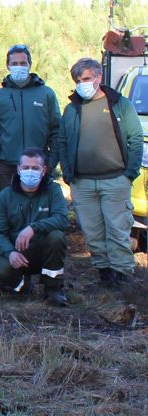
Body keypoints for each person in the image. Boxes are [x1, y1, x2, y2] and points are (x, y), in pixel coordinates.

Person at [56, 58, 143, 288]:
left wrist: (129, 174)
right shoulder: (72, 108)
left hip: (115, 179)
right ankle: (105, 274)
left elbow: (135, 140)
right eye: (78, 80)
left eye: (86, 79)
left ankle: (123, 275)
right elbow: (62, 141)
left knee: (117, 231)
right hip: (83, 183)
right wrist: (68, 175)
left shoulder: (119, 104)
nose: (82, 84)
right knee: (93, 233)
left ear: (98, 77)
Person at [0, 44, 61, 243]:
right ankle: (5, 251)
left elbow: (56, 130)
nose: (19, 66)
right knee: (6, 210)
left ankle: (38, 249)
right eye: (14, 63)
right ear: (8, 65)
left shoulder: (46, 94)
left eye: (23, 63)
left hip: (38, 167)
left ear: (30, 64)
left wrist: (50, 161)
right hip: (7, 167)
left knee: (39, 209)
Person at [0, 147, 69, 306]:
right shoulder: (5, 195)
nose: (30, 172)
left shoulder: (53, 190)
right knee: (0, 270)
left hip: (44, 250)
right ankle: (22, 284)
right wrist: (10, 252)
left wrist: (33, 228)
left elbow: (62, 219)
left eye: (35, 168)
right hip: (17, 250)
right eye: (26, 168)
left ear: (44, 170)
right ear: (18, 169)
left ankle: (52, 287)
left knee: (57, 237)